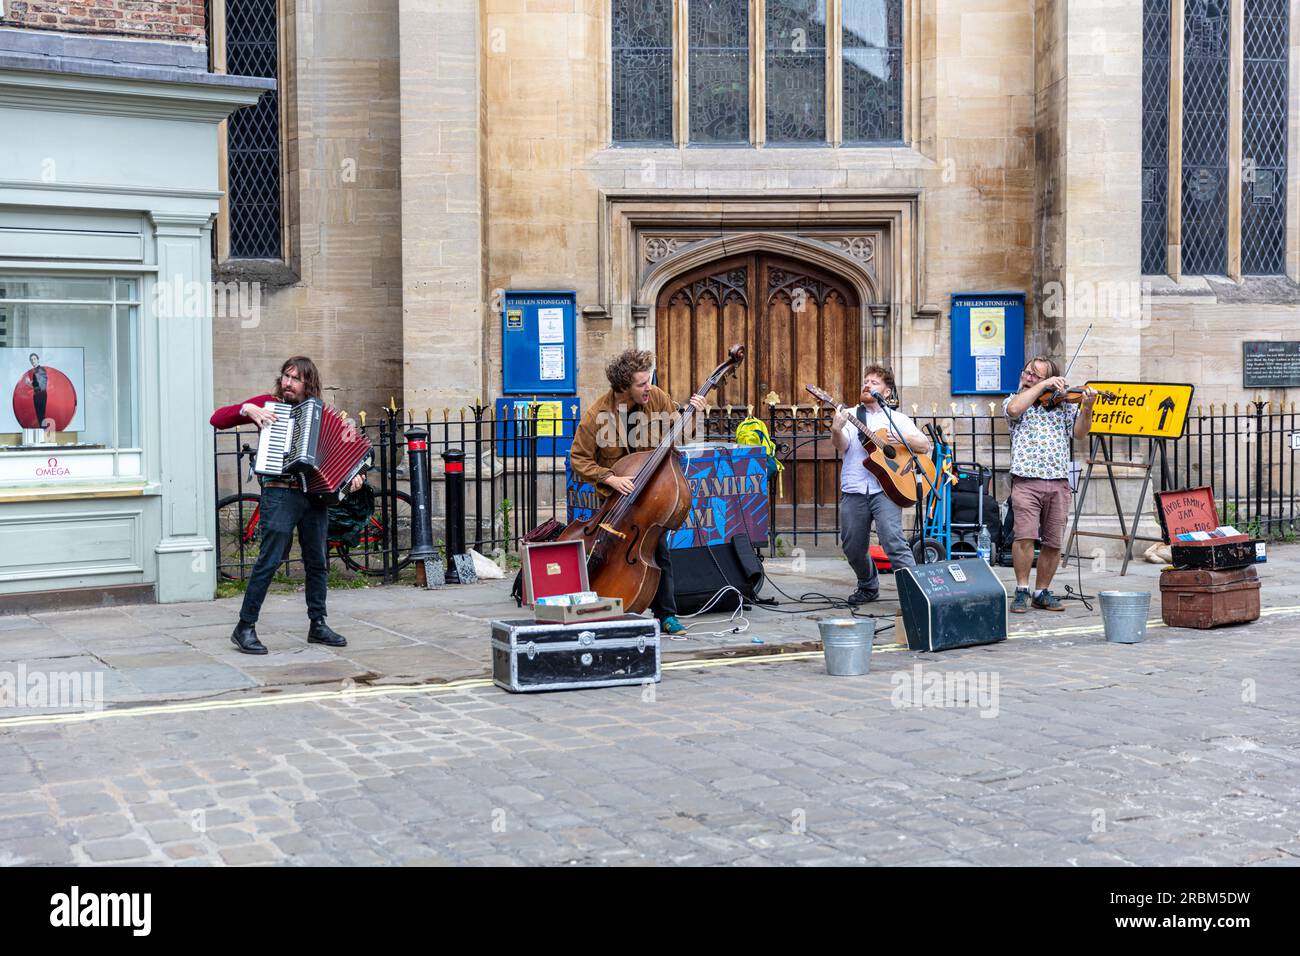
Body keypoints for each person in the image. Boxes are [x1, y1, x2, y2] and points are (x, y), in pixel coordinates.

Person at [210, 356, 365, 654]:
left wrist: (355, 477)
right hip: (280, 493)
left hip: (314, 496)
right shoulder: (268, 404)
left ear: (308, 383)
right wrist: (246, 408)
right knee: (269, 560)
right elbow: (217, 419)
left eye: (295, 378)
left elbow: (346, 457)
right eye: (285, 376)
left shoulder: (319, 412)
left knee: (317, 562)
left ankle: (317, 624)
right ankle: (244, 627)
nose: (287, 383)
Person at [568, 349, 705, 635]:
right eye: (642, 383)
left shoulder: (656, 398)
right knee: (606, 550)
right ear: (623, 387)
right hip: (615, 500)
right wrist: (609, 478)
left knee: (659, 549)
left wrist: (693, 415)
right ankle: (594, 599)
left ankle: (666, 614)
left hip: (651, 495)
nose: (649, 387)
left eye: (649, 380)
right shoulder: (596, 415)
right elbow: (579, 459)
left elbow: (682, 435)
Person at [832, 365, 932, 605]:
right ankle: (868, 585)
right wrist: (836, 428)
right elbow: (842, 446)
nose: (866, 385)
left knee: (893, 542)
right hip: (854, 487)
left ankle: (916, 593)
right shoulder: (850, 414)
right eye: (865, 381)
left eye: (874, 382)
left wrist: (897, 438)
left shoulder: (897, 419)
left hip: (886, 490)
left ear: (886, 392)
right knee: (852, 546)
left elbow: (924, 445)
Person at [1003, 356, 1096, 612]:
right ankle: (1022, 589)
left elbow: (1079, 433)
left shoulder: (1063, 405)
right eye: (1028, 372)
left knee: (1053, 541)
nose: (1029, 376)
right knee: (1024, 536)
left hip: (1058, 481)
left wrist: (1087, 407)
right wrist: (1041, 386)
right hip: (1026, 479)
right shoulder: (1015, 400)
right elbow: (1013, 411)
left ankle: (1042, 591)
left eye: (1036, 375)